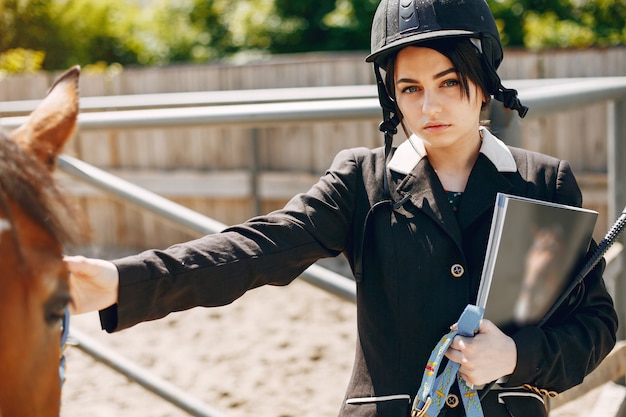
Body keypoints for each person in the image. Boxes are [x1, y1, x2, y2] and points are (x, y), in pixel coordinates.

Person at [65, 0, 618, 416]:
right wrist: (119, 280)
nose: (430, 106)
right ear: (392, 97)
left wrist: (518, 357)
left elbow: (594, 325)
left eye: (449, 81)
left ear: (484, 77)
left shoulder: (545, 182)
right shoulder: (362, 181)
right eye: (410, 89)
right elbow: (258, 248)